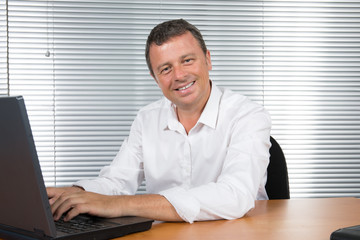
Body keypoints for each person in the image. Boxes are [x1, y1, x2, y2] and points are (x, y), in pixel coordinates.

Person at [47, 19, 271, 224]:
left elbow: (235, 195)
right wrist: (74, 193)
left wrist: (118, 205)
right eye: (165, 69)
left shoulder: (248, 115)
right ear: (155, 78)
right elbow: (117, 181)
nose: (179, 75)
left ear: (208, 59)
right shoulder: (147, 119)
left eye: (187, 60)